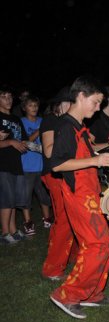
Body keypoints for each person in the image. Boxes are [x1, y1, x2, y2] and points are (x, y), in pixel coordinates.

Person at [49, 76, 109, 319]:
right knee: (97, 244)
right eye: (95, 102)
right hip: (78, 196)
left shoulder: (79, 127)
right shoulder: (66, 126)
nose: (98, 108)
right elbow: (57, 165)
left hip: (89, 194)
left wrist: (102, 151)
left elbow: (85, 153)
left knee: (103, 243)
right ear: (81, 96)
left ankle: (92, 293)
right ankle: (67, 294)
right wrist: (95, 161)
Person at [40, 86, 78, 281]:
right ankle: (52, 268)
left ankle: (70, 256)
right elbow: (48, 151)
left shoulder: (68, 123)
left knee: (71, 217)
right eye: (69, 102)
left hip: (67, 173)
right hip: (54, 175)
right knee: (64, 219)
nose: (73, 106)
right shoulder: (51, 121)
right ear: (59, 104)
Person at [20, 94, 52, 236]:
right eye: (30, 105)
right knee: (26, 196)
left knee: (43, 194)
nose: (34, 108)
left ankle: (47, 218)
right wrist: (39, 130)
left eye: (36, 105)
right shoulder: (21, 122)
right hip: (26, 166)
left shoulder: (42, 120)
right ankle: (28, 222)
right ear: (24, 108)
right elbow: (24, 141)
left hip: (42, 165)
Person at [0, 85, 28, 245]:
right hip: (2, 164)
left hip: (16, 163)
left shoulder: (16, 119)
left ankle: (13, 229)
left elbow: (23, 140)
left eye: (10, 97)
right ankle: (4, 233)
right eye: (4, 97)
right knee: (5, 199)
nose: (8, 100)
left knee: (13, 199)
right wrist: (10, 141)